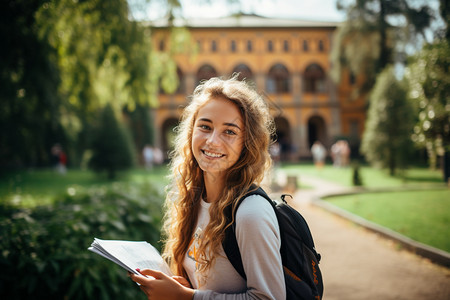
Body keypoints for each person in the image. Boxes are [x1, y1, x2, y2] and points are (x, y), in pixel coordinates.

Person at [130, 76, 285, 299]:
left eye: (229, 131)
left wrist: (187, 297)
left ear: (247, 142)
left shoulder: (251, 214)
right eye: (205, 126)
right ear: (192, 131)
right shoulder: (193, 200)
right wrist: (186, 287)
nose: (212, 140)